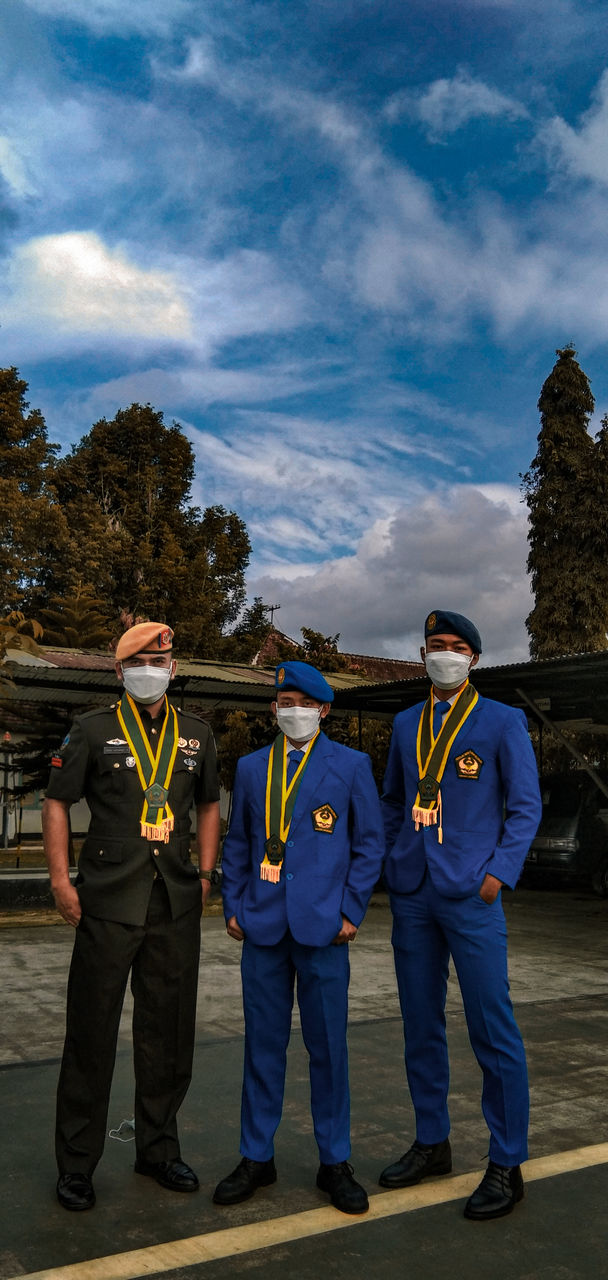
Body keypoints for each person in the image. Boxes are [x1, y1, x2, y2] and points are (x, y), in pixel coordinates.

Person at [43, 622, 220, 1212]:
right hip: (108, 901)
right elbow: (56, 803)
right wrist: (61, 879)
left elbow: (209, 804)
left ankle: (159, 1149)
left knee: (168, 1035)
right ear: (120, 671)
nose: (153, 668)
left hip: (173, 901)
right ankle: (76, 1164)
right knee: (91, 1034)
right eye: (142, 660)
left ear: (174, 667)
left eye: (162, 659)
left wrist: (206, 872)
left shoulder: (196, 734)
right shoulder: (92, 730)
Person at [379, 610, 541, 1220]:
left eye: (455, 646)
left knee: (491, 1028)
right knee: (420, 1024)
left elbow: (524, 807)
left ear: (473, 657)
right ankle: (432, 1141)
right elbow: (394, 799)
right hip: (414, 889)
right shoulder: (403, 724)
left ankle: (506, 1161)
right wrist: (397, 860)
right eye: (434, 646)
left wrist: (497, 875)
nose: (443, 654)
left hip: (473, 893)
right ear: (422, 654)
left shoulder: (502, 722)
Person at [213, 661, 384, 1215]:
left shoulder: (352, 765)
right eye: (284, 701)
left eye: (303, 702)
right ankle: (255, 1156)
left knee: (328, 1049)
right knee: (262, 1048)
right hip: (261, 926)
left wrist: (351, 910)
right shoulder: (250, 767)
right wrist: (233, 905)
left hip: (323, 930)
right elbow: (238, 841)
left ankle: (334, 1160)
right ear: (273, 709)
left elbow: (368, 845)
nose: (293, 710)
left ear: (324, 710)